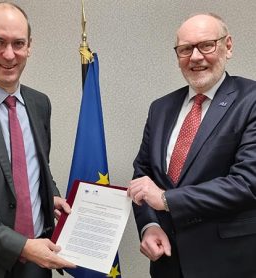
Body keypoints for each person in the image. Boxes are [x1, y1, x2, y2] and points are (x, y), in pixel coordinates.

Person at [127, 13, 256, 278]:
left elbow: (247, 183)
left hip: (230, 264)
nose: (195, 57)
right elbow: (142, 176)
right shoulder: (160, 109)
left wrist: (165, 200)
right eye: (185, 49)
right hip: (168, 264)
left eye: (206, 45)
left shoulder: (251, 100)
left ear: (227, 46)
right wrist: (149, 225)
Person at [0, 2, 75, 278]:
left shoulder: (39, 104)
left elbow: (35, 165)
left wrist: (50, 194)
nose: (9, 54)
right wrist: (22, 247)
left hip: (38, 265)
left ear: (29, 46)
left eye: (18, 43)